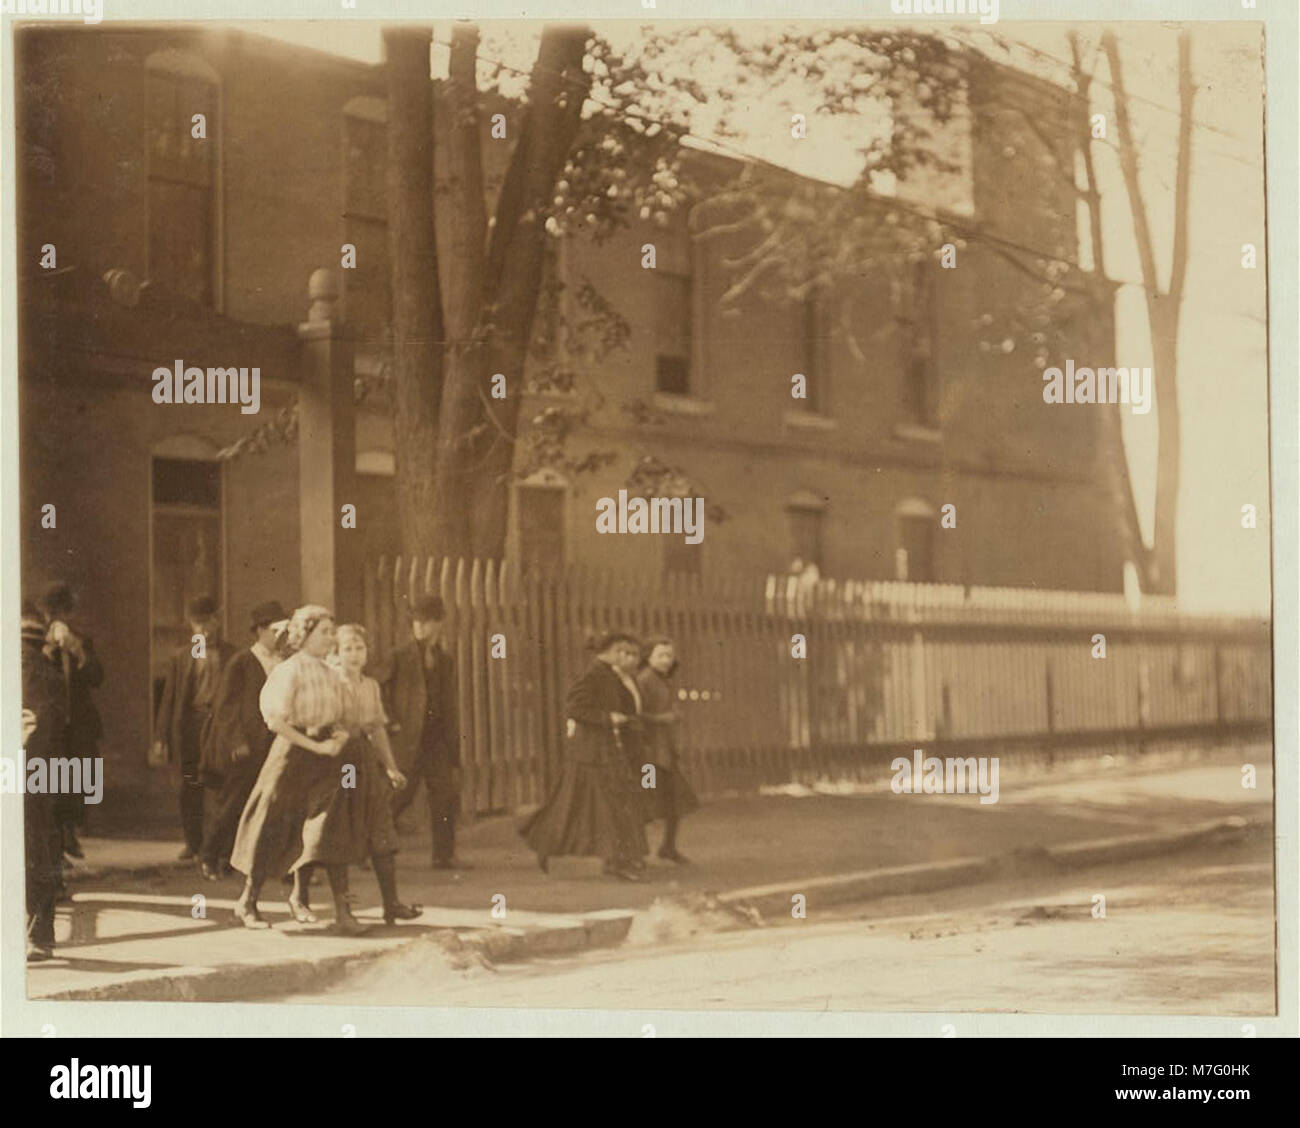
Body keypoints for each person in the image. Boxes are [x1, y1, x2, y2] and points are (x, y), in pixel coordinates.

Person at [228, 605, 362, 934]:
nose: (331, 638)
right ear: (302, 636)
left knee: (329, 829)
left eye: (333, 632)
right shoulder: (290, 671)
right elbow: (276, 721)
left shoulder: (332, 674)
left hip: (326, 757)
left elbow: (344, 716)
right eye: (324, 632)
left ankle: (343, 912)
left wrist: (338, 738)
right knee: (271, 824)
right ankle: (248, 900)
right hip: (291, 755)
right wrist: (314, 746)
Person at [291, 625, 421, 926]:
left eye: (359, 648)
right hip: (335, 762)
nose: (354, 654)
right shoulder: (330, 683)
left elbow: (376, 729)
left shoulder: (371, 686)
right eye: (347, 648)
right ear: (335, 653)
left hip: (362, 762)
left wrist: (390, 766)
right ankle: (310, 900)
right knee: (333, 830)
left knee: (381, 828)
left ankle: (391, 903)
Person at [517, 631, 649, 882]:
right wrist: (608, 718)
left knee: (584, 806)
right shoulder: (594, 675)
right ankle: (614, 860)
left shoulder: (610, 675)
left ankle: (610, 858)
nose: (626, 656)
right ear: (608, 652)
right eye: (621, 651)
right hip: (590, 753)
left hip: (601, 752)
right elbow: (574, 707)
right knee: (601, 807)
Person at [196, 600, 287, 881]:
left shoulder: (285, 663)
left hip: (278, 743)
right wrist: (236, 743)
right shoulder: (242, 661)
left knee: (277, 805)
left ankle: (267, 863)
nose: (280, 636)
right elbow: (226, 707)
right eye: (274, 630)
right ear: (259, 630)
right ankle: (210, 856)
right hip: (248, 747)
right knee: (233, 804)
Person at [380, 593, 467, 870]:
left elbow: (448, 701)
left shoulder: (445, 660)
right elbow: (380, 691)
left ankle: (443, 855)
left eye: (426, 622)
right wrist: (392, 721)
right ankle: (370, 850)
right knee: (399, 796)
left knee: (444, 795)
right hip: (407, 738)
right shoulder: (399, 656)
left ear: (438, 624)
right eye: (416, 622)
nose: (420, 627)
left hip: (436, 739)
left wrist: (452, 742)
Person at [154, 596, 235, 860]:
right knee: (189, 785)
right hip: (190, 727)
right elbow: (169, 699)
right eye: (197, 624)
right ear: (190, 625)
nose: (203, 630)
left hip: (220, 728)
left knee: (221, 785)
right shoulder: (181, 657)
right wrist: (161, 737)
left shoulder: (233, 655)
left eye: (207, 623)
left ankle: (221, 844)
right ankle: (193, 842)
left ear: (218, 621)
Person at [38, 581, 102, 862]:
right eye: (57, 615)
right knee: (53, 781)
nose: (62, 620)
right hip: (51, 724)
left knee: (79, 778)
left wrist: (79, 653)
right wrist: (49, 650)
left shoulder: (81, 641)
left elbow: (98, 677)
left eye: (65, 614)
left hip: (77, 723)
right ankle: (58, 845)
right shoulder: (39, 642)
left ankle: (70, 834)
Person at [23, 603, 68, 961]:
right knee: (40, 850)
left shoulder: (19, 668)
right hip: (45, 774)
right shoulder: (50, 672)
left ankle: (36, 934)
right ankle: (40, 934)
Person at [636, 637, 699, 864]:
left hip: (666, 752)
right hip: (649, 754)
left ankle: (668, 846)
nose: (665, 660)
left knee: (676, 800)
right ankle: (635, 852)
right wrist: (661, 718)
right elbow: (636, 714)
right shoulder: (644, 680)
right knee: (646, 800)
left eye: (669, 655)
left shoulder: (665, 680)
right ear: (649, 657)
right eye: (660, 655)